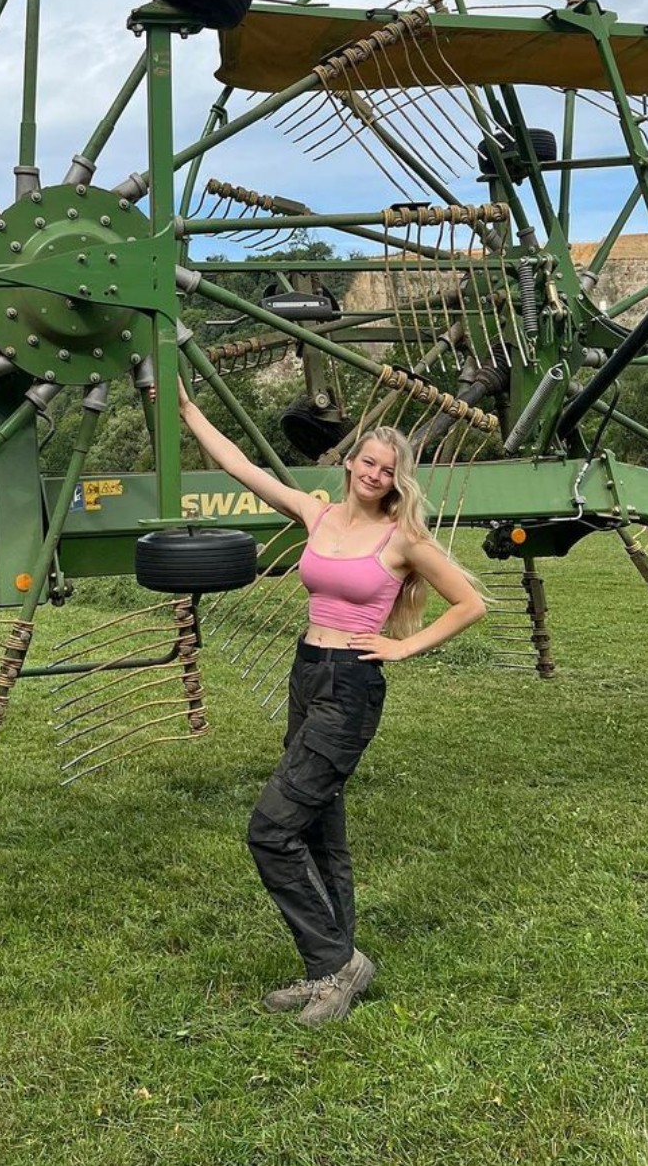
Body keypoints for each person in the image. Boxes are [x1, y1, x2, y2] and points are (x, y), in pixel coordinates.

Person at [177, 380, 487, 1025]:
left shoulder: (402, 539)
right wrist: (184, 407)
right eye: (368, 462)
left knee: (270, 829)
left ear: (399, 481)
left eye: (388, 469)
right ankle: (338, 962)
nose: (375, 474)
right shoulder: (317, 515)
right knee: (320, 828)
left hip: (351, 684)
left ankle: (332, 966)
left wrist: (404, 648)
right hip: (308, 669)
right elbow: (241, 466)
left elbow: (471, 602)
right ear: (350, 463)